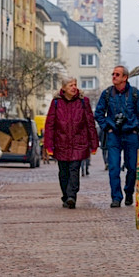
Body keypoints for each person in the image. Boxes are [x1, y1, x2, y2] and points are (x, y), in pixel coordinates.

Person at [94, 65, 139, 208]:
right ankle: (116, 197)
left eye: (117, 74)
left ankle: (129, 191)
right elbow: (99, 113)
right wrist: (107, 127)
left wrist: (136, 127)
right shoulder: (107, 94)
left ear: (125, 77)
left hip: (131, 135)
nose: (114, 77)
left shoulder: (135, 94)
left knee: (132, 168)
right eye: (113, 74)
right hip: (114, 135)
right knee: (113, 167)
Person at [43, 77, 98, 209]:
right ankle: (65, 196)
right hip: (61, 143)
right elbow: (50, 125)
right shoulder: (56, 103)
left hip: (79, 143)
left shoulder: (83, 102)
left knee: (74, 170)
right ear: (63, 88)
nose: (74, 87)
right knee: (63, 172)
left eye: (75, 85)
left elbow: (90, 124)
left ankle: (72, 196)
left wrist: (94, 143)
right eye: (70, 85)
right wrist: (48, 145)